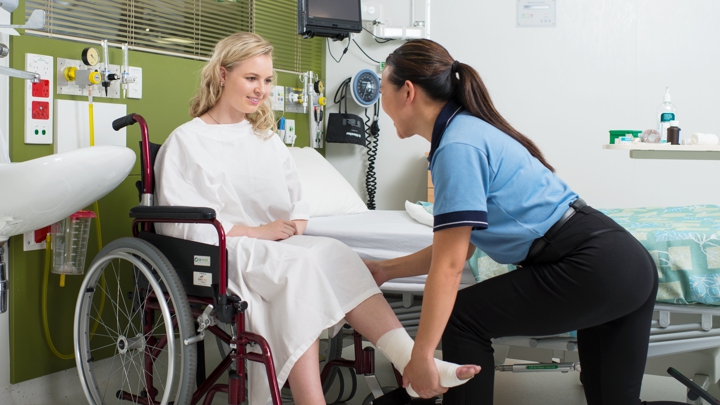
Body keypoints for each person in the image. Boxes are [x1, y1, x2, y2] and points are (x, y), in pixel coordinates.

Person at [153, 32, 480, 405]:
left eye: (267, 80)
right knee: (304, 266)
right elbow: (182, 227)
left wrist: (297, 224)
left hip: (276, 246)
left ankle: (408, 357)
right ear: (223, 75)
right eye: (251, 78)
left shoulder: (265, 138)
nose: (261, 89)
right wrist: (257, 232)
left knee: (335, 252)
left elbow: (297, 202)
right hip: (225, 250)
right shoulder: (188, 141)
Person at [366, 39, 685, 405]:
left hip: (594, 267)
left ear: (408, 91)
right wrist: (385, 270)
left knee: (462, 317)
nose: (380, 103)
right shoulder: (468, 131)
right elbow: (463, 245)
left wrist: (422, 356)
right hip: (623, 263)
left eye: (381, 89)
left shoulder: (457, 147)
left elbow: (451, 265)